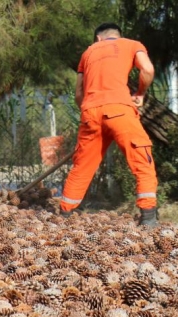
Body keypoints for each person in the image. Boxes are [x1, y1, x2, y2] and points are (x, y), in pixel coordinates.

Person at [60, 23, 159, 227]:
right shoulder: (132, 44)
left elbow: (79, 92)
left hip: (90, 112)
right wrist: (140, 93)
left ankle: (65, 215)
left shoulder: (88, 53)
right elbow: (147, 69)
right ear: (118, 36)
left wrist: (88, 113)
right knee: (141, 159)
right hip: (120, 109)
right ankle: (148, 218)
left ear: (98, 39)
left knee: (82, 166)